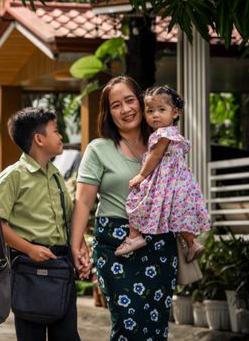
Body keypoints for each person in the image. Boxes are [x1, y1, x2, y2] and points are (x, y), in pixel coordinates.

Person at [70, 76, 177, 341]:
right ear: (109, 113)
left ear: (141, 103)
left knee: (156, 326)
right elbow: (83, 201)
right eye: (116, 105)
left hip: (160, 243)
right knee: (128, 324)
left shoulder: (163, 143)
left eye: (130, 100)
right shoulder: (99, 149)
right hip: (115, 244)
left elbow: (179, 188)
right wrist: (76, 244)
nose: (126, 109)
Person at [0, 108, 80, 341]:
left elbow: (69, 218)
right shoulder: (13, 176)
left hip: (61, 264)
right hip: (29, 267)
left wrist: (78, 249)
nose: (61, 136)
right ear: (39, 139)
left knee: (67, 334)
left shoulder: (56, 175)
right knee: (30, 335)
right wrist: (29, 249)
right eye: (56, 131)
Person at [116, 85, 211, 260]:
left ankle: (134, 237)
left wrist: (141, 176)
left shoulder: (163, 134)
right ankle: (192, 244)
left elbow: (155, 156)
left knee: (137, 199)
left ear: (174, 113)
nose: (155, 115)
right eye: (150, 110)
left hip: (166, 182)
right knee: (178, 213)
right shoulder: (172, 133)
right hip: (180, 184)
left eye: (161, 109)